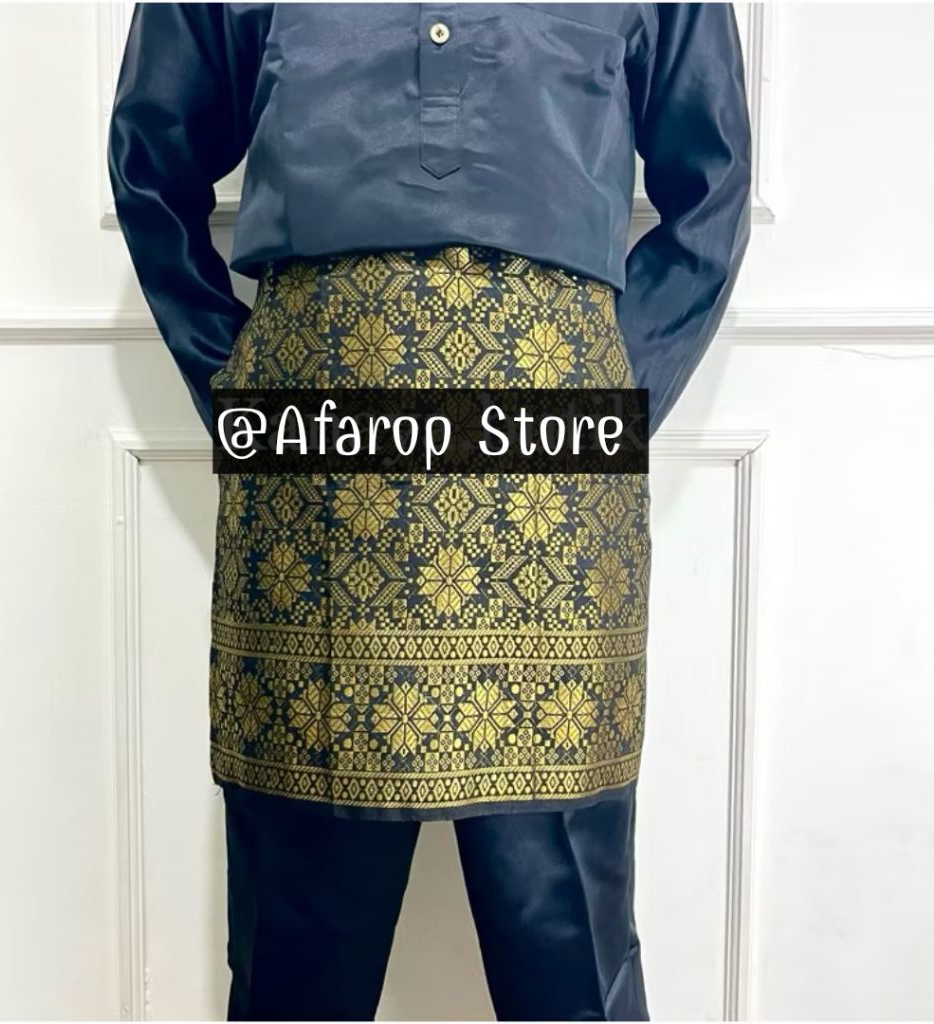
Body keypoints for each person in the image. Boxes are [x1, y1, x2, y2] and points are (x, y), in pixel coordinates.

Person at [108, 3, 752, 1019]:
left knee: (566, 939)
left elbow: (711, 186)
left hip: (551, 488)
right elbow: (153, 158)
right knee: (299, 950)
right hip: (319, 479)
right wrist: (240, 390)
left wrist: (604, 403)